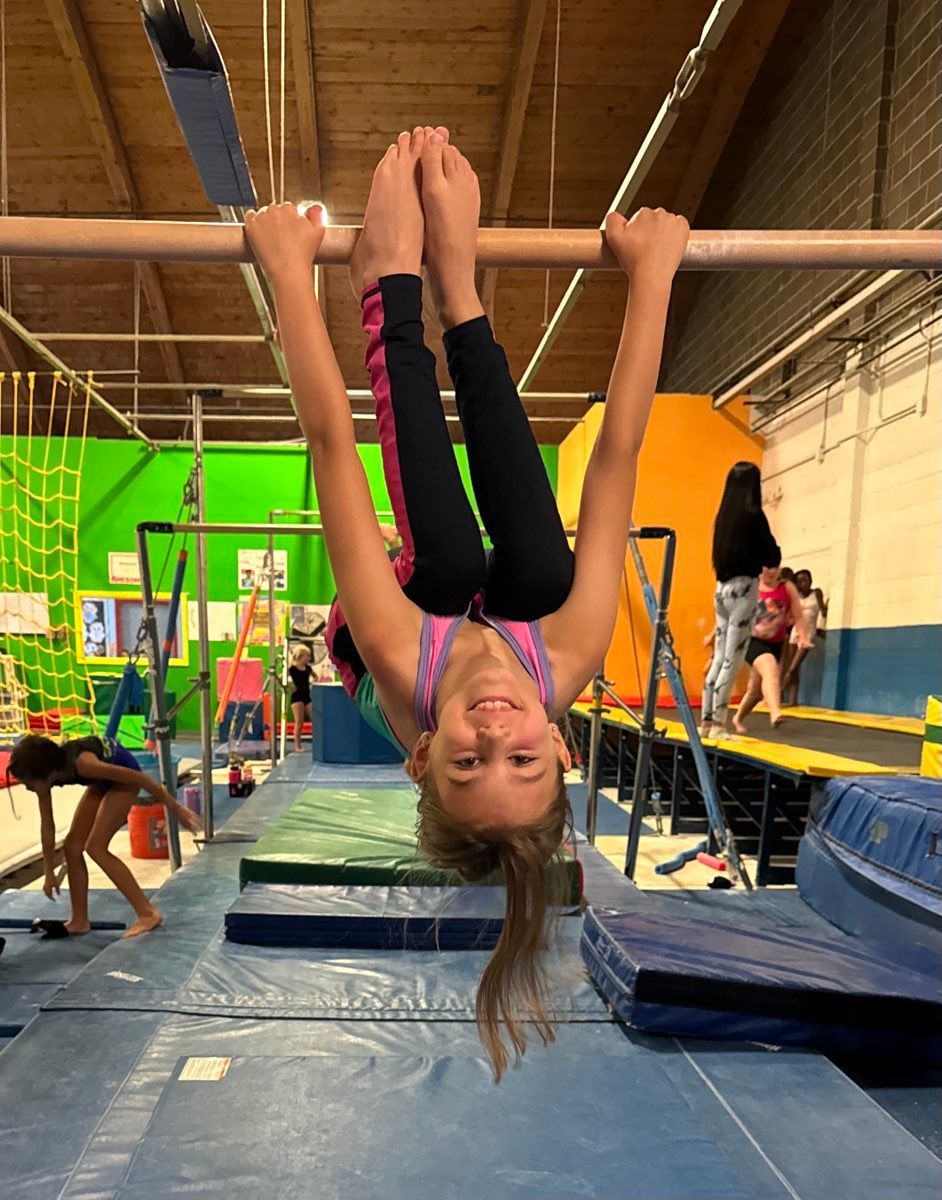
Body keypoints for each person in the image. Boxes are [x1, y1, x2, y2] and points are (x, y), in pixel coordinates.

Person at [245, 126, 689, 1080]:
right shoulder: (565, 653)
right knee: (538, 567)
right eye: (522, 754)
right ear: (563, 744)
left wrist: (297, 273)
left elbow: (331, 449)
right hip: (507, 614)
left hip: (399, 628)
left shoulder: (403, 662)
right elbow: (616, 461)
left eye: (467, 757)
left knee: (446, 560)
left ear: (421, 754)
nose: (494, 729)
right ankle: (463, 293)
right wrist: (652, 278)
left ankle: (398, 288)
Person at [8, 733, 201, 938]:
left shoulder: (84, 765)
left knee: (96, 847)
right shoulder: (47, 778)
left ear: (46, 774)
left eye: (28, 783)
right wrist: (49, 873)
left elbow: (140, 778)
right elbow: (47, 827)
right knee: (72, 846)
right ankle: (79, 920)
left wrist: (175, 807)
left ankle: (148, 913)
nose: (27, 788)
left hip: (125, 777)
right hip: (100, 781)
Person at [700, 461, 781, 739]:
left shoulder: (723, 519)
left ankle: (706, 723)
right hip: (744, 591)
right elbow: (772, 556)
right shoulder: (754, 516)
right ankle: (719, 725)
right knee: (731, 660)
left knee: (719, 656)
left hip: (721, 590)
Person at [733, 566, 813, 734]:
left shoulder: (786, 587)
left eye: (774, 569)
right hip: (752, 641)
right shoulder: (750, 586)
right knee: (771, 670)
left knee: (754, 691)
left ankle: (738, 717)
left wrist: (804, 637)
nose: (771, 573)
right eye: (766, 569)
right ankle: (775, 712)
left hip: (774, 643)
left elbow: (799, 615)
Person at [781, 568, 826, 706]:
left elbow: (823, 610)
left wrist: (823, 624)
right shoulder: (795, 596)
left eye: (805, 580)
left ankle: (779, 689)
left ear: (811, 581)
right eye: (799, 582)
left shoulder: (816, 593)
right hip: (795, 632)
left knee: (792, 668)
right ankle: (793, 700)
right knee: (795, 669)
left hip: (809, 634)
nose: (802, 584)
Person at [287, 643, 314, 752]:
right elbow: (281, 678)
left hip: (307, 696)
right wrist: (289, 687)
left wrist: (313, 685)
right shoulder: (292, 669)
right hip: (297, 697)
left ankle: (317, 742)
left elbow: (315, 676)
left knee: (315, 720)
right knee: (299, 723)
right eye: (306, 656)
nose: (308, 658)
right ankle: (298, 745)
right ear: (300, 656)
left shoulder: (308, 668)